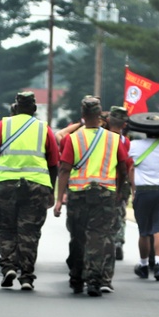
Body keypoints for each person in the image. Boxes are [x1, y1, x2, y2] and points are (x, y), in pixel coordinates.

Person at [0, 91, 60, 291]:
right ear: (34, 109)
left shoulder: (2, 125)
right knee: (29, 231)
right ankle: (27, 277)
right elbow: (54, 163)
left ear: (15, 107)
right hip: (36, 186)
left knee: (5, 228)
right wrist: (51, 189)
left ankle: (8, 267)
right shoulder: (44, 129)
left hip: (5, 184)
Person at [53, 96, 129, 296]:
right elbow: (123, 167)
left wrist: (59, 199)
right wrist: (119, 190)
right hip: (105, 195)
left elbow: (64, 170)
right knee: (97, 238)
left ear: (83, 115)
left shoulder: (73, 138)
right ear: (100, 114)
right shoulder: (113, 139)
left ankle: (77, 278)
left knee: (78, 238)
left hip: (78, 195)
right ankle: (94, 281)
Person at [129, 122, 159, 282]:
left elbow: (131, 167)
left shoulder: (135, 145)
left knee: (144, 231)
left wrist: (133, 191)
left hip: (143, 190)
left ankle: (144, 265)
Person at [102, 105, 133, 289]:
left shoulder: (100, 138)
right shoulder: (125, 142)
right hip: (118, 185)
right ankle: (118, 241)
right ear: (124, 124)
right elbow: (126, 166)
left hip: (101, 183)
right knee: (118, 217)